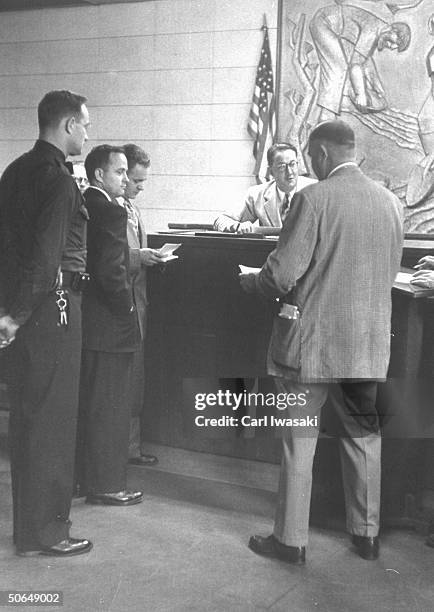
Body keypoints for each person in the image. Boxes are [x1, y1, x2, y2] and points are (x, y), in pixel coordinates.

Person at [240, 120, 403, 564]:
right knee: (364, 438)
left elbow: (282, 275)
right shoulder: (391, 203)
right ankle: (366, 536)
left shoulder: (313, 199)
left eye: (311, 156)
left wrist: (252, 282)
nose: (309, 164)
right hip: (367, 346)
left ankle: (290, 542)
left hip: (310, 347)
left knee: (298, 441)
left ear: (323, 154)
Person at [0, 90, 92, 556]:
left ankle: (29, 532)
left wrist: (8, 312)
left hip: (20, 312)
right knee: (53, 423)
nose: (87, 134)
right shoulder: (58, 181)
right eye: (85, 125)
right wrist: (18, 314)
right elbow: (44, 257)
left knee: (28, 421)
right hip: (50, 308)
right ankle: (50, 533)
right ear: (69, 125)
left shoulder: (14, 171)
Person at [78, 145, 143, 506]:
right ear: (99, 174)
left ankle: (86, 480)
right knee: (111, 409)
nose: (125, 178)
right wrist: (127, 310)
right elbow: (112, 272)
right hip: (111, 326)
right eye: (119, 171)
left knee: (90, 405)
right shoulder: (111, 211)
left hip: (87, 322)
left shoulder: (84, 203)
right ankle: (107, 485)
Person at [121, 144, 164, 466]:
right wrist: (140, 257)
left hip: (139, 305)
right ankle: (119, 451)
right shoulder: (108, 208)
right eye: (136, 181)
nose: (139, 187)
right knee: (121, 382)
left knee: (135, 380)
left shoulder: (133, 209)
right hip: (120, 306)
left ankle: (131, 448)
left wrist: (154, 259)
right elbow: (106, 255)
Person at [309, 4, 411, 119]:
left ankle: (329, 113)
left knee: (346, 65)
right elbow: (356, 65)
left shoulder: (378, 30)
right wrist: (360, 94)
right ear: (392, 30)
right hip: (324, 22)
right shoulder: (373, 31)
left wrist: (379, 89)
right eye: (394, 42)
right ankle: (326, 117)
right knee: (338, 68)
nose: (392, 47)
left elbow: (366, 63)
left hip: (334, 28)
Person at [213, 143, 316, 233]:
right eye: (282, 167)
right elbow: (221, 220)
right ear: (271, 171)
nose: (289, 172)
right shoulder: (256, 194)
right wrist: (238, 226)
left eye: (293, 164)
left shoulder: (316, 190)